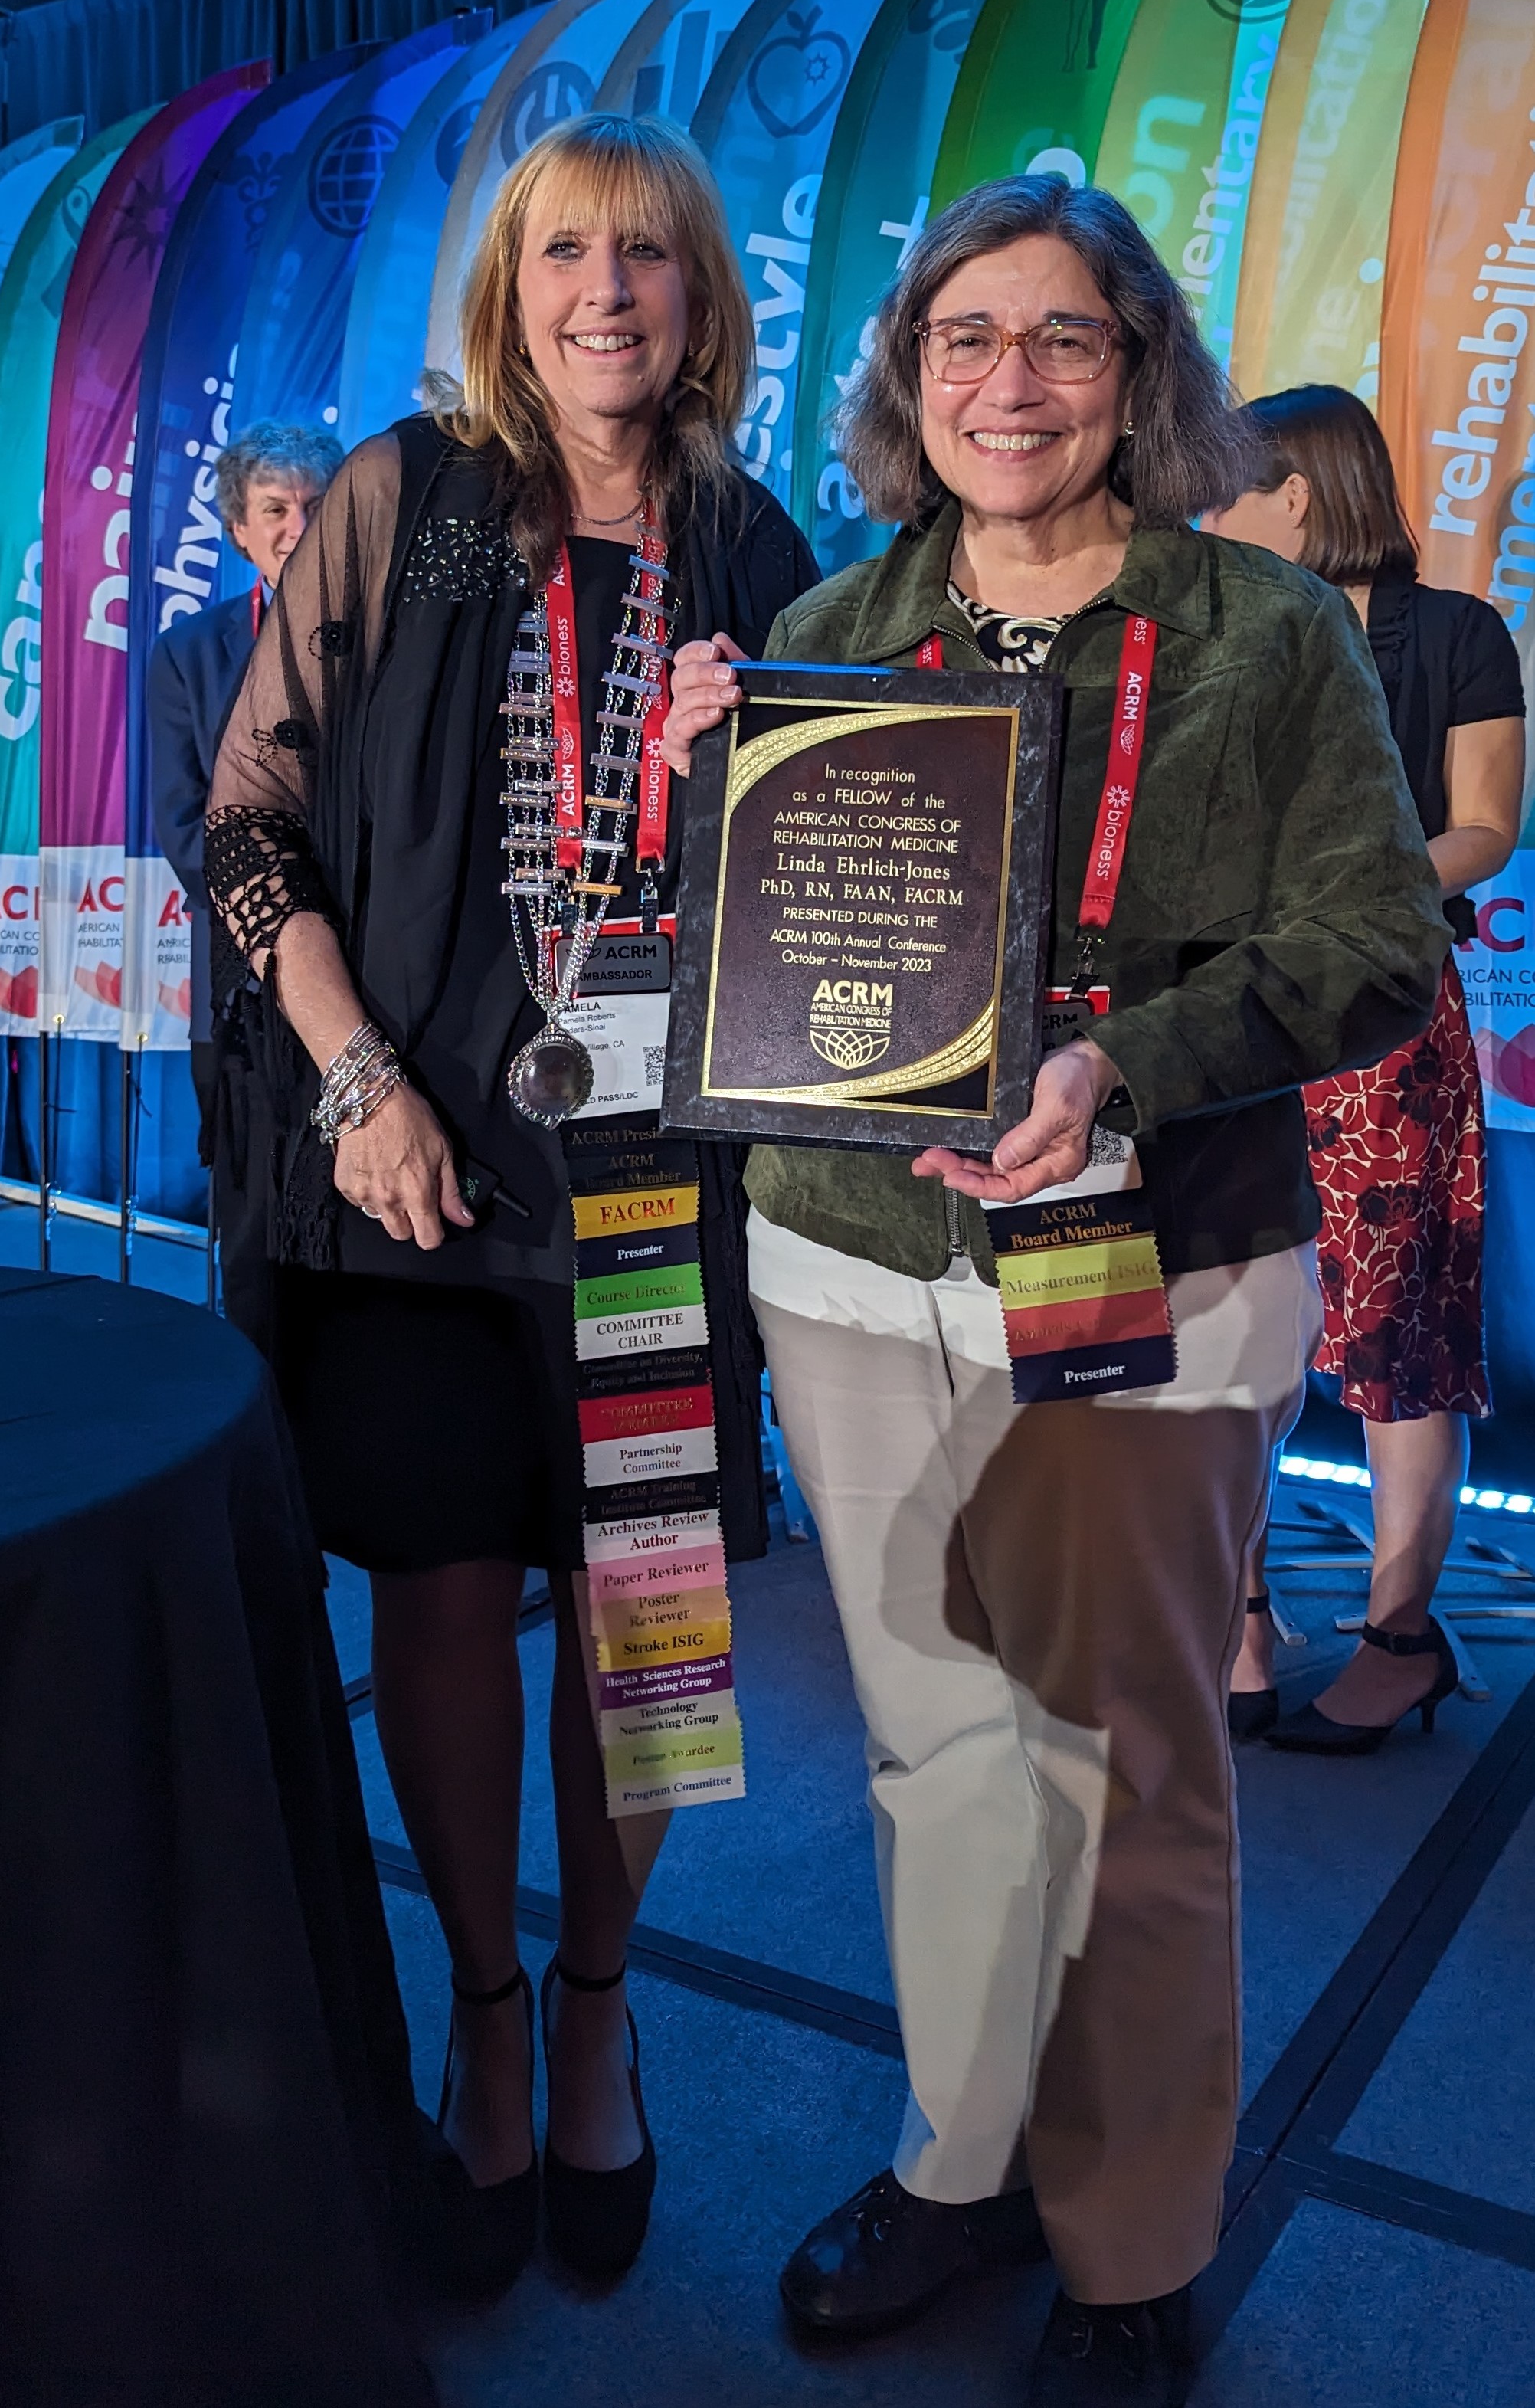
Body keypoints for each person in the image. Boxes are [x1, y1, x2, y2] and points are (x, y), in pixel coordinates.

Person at [662, 175, 1446, 2404]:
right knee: (933, 1752)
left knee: (1126, 1765)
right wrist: (689, 795)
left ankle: (1128, 2237)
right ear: (909, 379)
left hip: (1155, 1258)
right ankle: (961, 2157)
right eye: (963, 340)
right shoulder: (825, 624)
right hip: (844, 1257)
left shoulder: (1259, 632)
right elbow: (741, 963)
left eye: (1062, 340)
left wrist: (1127, 1058)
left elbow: (1372, 937)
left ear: (1136, 378)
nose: (1009, 383)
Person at [199, 113, 817, 2295]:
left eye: (644, 257)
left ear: (694, 289)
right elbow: (246, 826)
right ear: (508, 276)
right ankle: (478, 1996)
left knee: (645, 1626)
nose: (603, 295)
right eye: (565, 251)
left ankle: (592, 2007)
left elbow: (840, 915)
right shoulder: (402, 503)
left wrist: (741, 771)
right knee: (447, 1596)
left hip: (656, 1183)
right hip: (417, 1174)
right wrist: (354, 1075)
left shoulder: (755, 544)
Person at [1203, 387, 1524, 1754]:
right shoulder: (1220, 637)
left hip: (1383, 1020)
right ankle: (1238, 1617)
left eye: (1227, 488)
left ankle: (1399, 1638)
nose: (1206, 515)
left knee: (1395, 1336)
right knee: (1225, 1322)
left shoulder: (1454, 633)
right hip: (1230, 1020)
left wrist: (1348, 901)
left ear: (1293, 493)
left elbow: (1485, 830)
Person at [148, 421, 344, 1306]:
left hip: (366, 979)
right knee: (256, 1244)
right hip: (240, 995)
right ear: (237, 528)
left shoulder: (383, 644)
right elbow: (187, 831)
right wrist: (293, 922)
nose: (294, 525)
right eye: (272, 508)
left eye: (313, 505)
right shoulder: (187, 656)